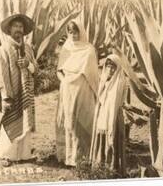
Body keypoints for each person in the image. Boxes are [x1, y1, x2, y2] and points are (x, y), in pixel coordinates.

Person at [0, 13, 38, 166]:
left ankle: (24, 155)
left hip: (26, 93)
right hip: (10, 93)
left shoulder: (28, 49)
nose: (18, 29)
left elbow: (36, 69)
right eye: (15, 26)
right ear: (9, 29)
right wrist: (5, 96)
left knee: (24, 121)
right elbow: (0, 75)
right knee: (10, 122)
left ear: (24, 30)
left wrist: (27, 65)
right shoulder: (4, 49)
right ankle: (6, 155)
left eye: (21, 27)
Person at [55, 21, 99, 166]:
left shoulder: (89, 49)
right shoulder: (66, 48)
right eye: (70, 32)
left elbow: (93, 74)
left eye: (75, 31)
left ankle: (82, 158)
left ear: (81, 32)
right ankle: (69, 157)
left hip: (83, 89)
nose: (73, 35)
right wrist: (64, 82)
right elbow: (59, 70)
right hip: (67, 90)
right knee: (69, 123)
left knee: (82, 121)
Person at [89, 54, 128, 175]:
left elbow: (120, 101)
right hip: (103, 114)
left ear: (118, 69)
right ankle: (100, 166)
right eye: (108, 67)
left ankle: (113, 168)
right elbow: (99, 98)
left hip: (114, 116)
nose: (110, 70)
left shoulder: (121, 82)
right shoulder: (103, 80)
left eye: (113, 68)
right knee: (102, 138)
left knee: (114, 140)